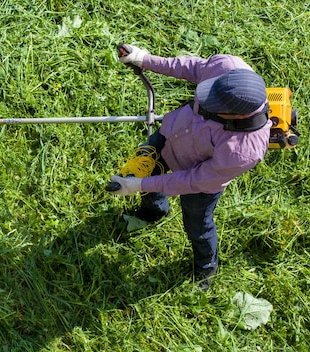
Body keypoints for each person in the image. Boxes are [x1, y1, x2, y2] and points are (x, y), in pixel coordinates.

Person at [109, 44, 271, 291]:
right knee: (148, 166)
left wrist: (138, 185)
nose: (204, 101)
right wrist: (145, 59)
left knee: (198, 223)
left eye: (213, 105)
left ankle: (207, 266)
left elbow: (190, 181)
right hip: (171, 134)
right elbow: (192, 67)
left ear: (235, 116)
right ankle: (154, 210)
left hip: (200, 182)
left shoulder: (241, 150)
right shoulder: (227, 67)